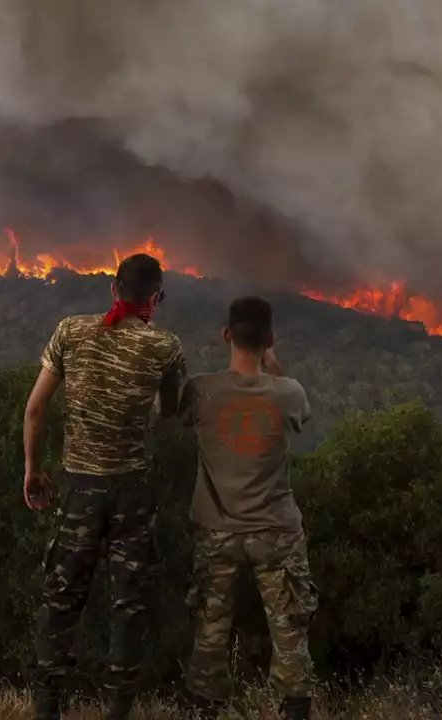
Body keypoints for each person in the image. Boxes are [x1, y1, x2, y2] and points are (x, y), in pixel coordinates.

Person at [22, 252, 186, 720]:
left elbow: (34, 410)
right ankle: (117, 710)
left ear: (113, 290)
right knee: (128, 604)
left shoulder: (70, 331)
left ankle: (48, 707)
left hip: (79, 488)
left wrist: (33, 469)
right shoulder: (165, 347)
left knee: (61, 599)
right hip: (132, 492)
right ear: (154, 298)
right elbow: (168, 410)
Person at [178, 296, 317, 720]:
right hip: (275, 532)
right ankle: (293, 710)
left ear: (226, 335)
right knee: (290, 630)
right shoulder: (288, 393)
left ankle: (206, 710)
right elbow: (302, 415)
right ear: (270, 339)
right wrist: (273, 366)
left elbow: (170, 412)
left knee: (210, 631)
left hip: (217, 530)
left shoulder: (200, 390)